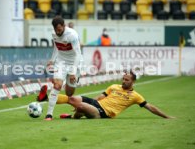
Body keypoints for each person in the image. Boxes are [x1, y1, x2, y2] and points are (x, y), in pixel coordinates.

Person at [38, 71, 174, 119]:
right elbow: (100, 97)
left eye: (127, 80)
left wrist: (166, 116)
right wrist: (91, 102)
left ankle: (74, 115)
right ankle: (46, 98)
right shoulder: (114, 86)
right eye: (123, 79)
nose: (124, 81)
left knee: (80, 106)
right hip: (97, 104)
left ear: (133, 81)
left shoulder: (136, 96)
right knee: (73, 99)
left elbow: (149, 107)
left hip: (103, 113)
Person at [38, 16, 83, 120]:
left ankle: (47, 98)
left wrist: (73, 72)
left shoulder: (72, 35)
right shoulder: (54, 34)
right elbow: (56, 46)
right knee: (57, 85)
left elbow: (78, 54)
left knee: (69, 93)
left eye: (59, 30)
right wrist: (52, 60)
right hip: (61, 62)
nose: (57, 32)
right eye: (55, 30)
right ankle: (49, 114)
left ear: (64, 26)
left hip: (74, 62)